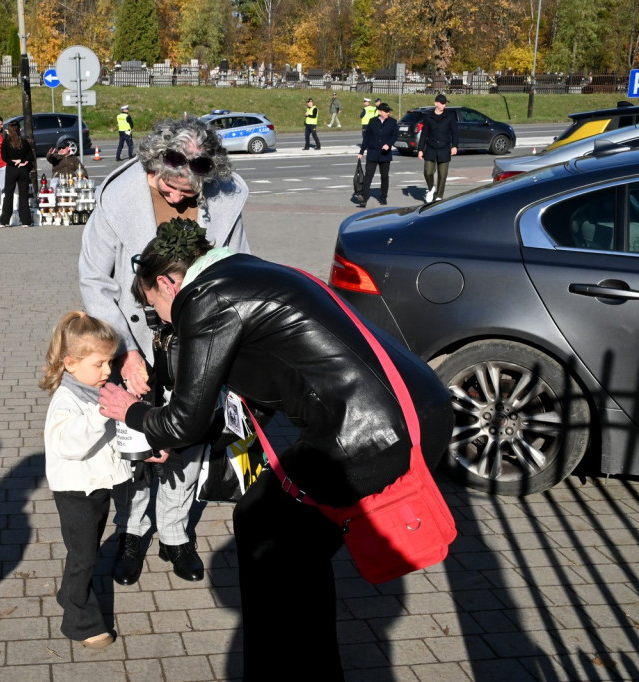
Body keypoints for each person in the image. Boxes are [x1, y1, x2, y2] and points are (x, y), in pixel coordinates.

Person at [98, 220, 453, 681]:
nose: (164, 320)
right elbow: (245, 405)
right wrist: (173, 440)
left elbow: (183, 417)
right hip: (416, 408)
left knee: (265, 533)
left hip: (369, 431)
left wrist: (133, 415)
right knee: (286, 546)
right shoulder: (246, 271)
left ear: (168, 282)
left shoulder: (207, 298)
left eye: (155, 306)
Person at [79, 116, 250, 587]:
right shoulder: (118, 198)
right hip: (130, 337)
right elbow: (94, 279)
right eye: (168, 188)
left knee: (187, 433)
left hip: (196, 337)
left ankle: (174, 533)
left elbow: (238, 271)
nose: (176, 199)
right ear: (151, 165)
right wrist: (125, 352)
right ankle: (132, 531)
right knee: (134, 437)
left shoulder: (223, 197)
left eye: (187, 193)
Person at [40, 311, 133, 649]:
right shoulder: (67, 400)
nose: (107, 371)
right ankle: (80, 621)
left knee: (88, 549)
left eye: (110, 362)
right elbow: (71, 444)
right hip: (75, 491)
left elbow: (110, 438)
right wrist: (101, 412)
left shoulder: (94, 389)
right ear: (70, 363)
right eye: (99, 364)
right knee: (83, 558)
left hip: (96, 487)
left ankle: (69, 592)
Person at [417, 94, 459, 203]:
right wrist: (420, 149)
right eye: (442, 103)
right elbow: (424, 134)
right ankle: (431, 188)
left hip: (444, 148)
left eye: (445, 103)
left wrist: (454, 146)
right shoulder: (428, 117)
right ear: (436, 103)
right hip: (431, 148)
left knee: (443, 174)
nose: (444, 105)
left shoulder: (450, 116)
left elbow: (455, 132)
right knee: (428, 172)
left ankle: (439, 196)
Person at [356, 102, 398, 207]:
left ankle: (383, 197)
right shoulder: (372, 121)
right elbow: (367, 138)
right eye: (386, 111)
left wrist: (389, 144)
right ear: (380, 112)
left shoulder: (392, 122)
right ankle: (364, 198)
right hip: (373, 153)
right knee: (368, 176)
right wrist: (361, 151)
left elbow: (395, 135)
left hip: (385, 154)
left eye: (389, 111)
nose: (388, 113)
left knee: (384, 176)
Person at [0, 120, 34, 227]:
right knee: (23, 195)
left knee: (8, 195)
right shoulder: (24, 142)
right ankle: (26, 221)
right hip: (22, 170)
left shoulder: (6, 142)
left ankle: (4, 220)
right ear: (19, 130)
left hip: (11, 169)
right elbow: (31, 156)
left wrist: (13, 161)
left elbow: (4, 157)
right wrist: (22, 161)